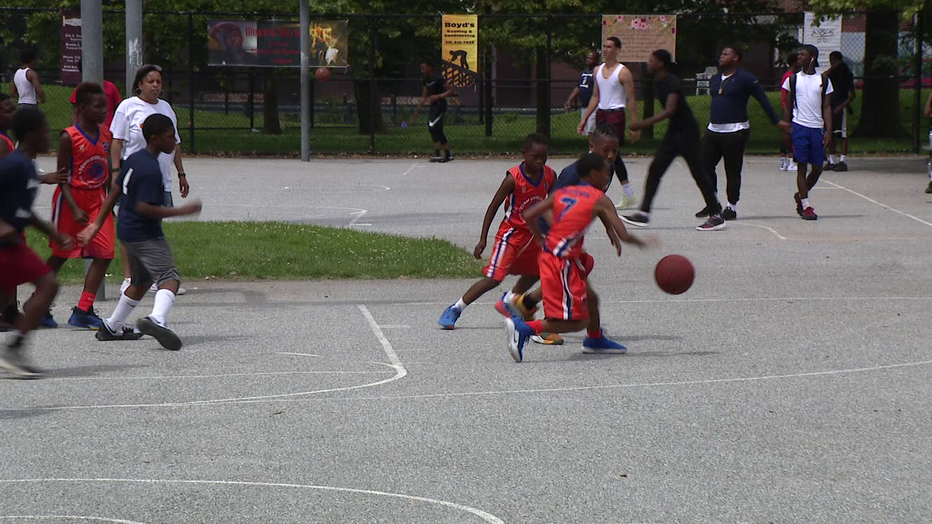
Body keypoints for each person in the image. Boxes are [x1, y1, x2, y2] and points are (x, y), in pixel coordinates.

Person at [505, 152, 652, 362]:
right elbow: (625, 234)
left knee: (591, 299)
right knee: (577, 321)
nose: (608, 178)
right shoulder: (600, 198)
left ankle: (594, 340)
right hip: (561, 261)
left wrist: (539, 239)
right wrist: (647, 243)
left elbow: (530, 214)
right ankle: (524, 328)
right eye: (606, 174)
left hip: (556, 255)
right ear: (594, 175)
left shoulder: (564, 192)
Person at [82, 114, 202, 349]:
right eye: (170, 137)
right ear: (155, 139)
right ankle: (157, 319)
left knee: (142, 280)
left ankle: (112, 326)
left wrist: (96, 223)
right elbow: (145, 208)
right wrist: (182, 211)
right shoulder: (150, 169)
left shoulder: (135, 159)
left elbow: (115, 192)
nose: (174, 141)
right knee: (169, 278)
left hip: (127, 230)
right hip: (145, 234)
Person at [438, 133, 557, 336]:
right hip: (511, 233)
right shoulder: (513, 178)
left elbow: (553, 204)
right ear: (524, 154)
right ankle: (455, 308)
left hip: (532, 234)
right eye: (535, 156)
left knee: (538, 271)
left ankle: (511, 300)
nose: (539, 161)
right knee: (494, 277)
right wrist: (483, 238)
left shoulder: (549, 175)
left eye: (543, 157)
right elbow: (493, 206)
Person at [0, 108, 75, 378]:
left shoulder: (28, 166)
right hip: (4, 245)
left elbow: (25, 211)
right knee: (48, 284)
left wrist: (53, 234)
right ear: (31, 135)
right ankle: (14, 351)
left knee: (43, 286)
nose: (49, 134)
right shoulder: (13, 164)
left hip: (12, 245)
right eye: (44, 129)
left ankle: (15, 350)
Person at [622, 50, 726, 232]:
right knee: (655, 169)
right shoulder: (658, 82)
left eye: (651, 60)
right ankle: (644, 213)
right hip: (674, 132)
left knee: (698, 173)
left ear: (661, 63)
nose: (648, 63)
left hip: (687, 132)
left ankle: (716, 215)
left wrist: (642, 124)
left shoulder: (672, 82)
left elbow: (670, 110)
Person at [41, 83, 115, 330]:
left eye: (105, 106)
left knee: (105, 253)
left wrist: (107, 202)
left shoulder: (106, 134)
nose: (103, 110)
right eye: (98, 106)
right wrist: (73, 208)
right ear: (82, 108)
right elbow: (62, 179)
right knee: (62, 254)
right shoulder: (68, 137)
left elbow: (105, 171)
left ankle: (83, 309)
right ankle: (38, 304)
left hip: (97, 199)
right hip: (71, 199)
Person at [110, 64, 189, 295]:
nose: (155, 85)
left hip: (159, 177)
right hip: (134, 176)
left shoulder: (166, 108)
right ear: (140, 84)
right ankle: (129, 276)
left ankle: (151, 276)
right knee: (130, 223)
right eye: (150, 81)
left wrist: (181, 173)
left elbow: (176, 143)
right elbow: (117, 141)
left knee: (152, 226)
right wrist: (116, 170)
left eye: (158, 81)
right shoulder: (128, 106)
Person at [700, 45, 788, 221]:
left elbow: (763, 99)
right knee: (703, 165)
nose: (721, 56)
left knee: (732, 170)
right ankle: (712, 202)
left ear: (736, 58)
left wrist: (776, 121)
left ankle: (731, 207)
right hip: (714, 129)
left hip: (736, 130)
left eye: (726, 54)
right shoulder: (716, 78)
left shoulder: (746, 79)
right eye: (721, 53)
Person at [579, 37, 640, 209]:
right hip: (602, 114)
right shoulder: (597, 70)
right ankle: (626, 193)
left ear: (618, 50)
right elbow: (595, 97)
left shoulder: (623, 72)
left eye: (610, 47)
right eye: (604, 47)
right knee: (607, 155)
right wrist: (584, 118)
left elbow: (631, 100)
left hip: (616, 115)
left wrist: (635, 126)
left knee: (608, 156)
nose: (605, 50)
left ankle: (598, 193)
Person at [783, 45, 833, 221]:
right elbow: (788, 107)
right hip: (799, 126)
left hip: (816, 127)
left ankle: (801, 194)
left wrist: (828, 130)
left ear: (812, 58)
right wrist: (787, 128)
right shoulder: (793, 80)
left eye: (802, 55)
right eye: (798, 54)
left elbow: (827, 106)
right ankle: (806, 205)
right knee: (802, 166)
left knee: (818, 167)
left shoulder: (823, 80)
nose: (798, 57)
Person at [412, 60, 455, 163]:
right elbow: (424, 96)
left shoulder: (439, 79)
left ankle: (442, 153)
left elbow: (451, 90)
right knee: (436, 129)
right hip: (433, 107)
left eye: (424, 68)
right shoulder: (425, 80)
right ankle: (442, 154)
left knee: (432, 126)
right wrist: (417, 110)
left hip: (440, 106)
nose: (422, 70)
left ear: (430, 67)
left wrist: (439, 96)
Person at [824, 51, 855, 172]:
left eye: (834, 60)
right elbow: (824, 76)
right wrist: (832, 68)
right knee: (829, 132)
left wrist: (842, 106)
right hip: (830, 106)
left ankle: (842, 161)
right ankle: (832, 161)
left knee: (843, 134)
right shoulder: (831, 75)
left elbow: (852, 95)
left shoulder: (847, 75)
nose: (832, 63)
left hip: (840, 106)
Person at [565, 51, 600, 136]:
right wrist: (570, 100)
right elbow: (579, 87)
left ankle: (594, 148)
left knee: (592, 130)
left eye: (590, 58)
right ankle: (591, 147)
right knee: (586, 130)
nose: (588, 60)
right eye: (587, 58)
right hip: (585, 105)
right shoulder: (584, 72)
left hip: (594, 106)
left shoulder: (597, 72)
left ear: (596, 60)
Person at [779, 52, 800, 172]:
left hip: (787, 106)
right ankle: (791, 160)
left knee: (787, 135)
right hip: (789, 107)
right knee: (791, 134)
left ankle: (784, 161)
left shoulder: (787, 75)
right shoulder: (791, 76)